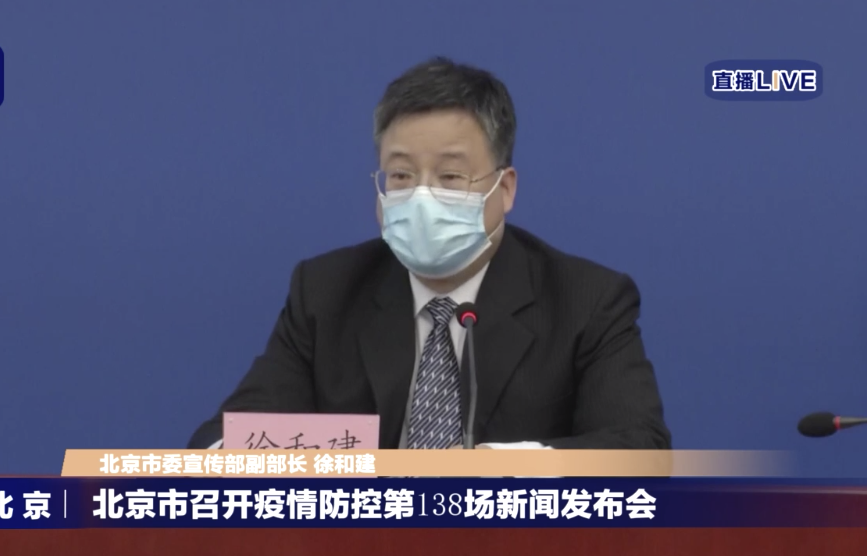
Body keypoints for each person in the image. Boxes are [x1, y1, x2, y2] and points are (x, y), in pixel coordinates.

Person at [188, 57, 670, 451]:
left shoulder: (586, 301)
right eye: (401, 175)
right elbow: (221, 440)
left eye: (450, 177)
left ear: (504, 189)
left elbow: (640, 447)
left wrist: (509, 469)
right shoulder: (326, 292)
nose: (421, 197)